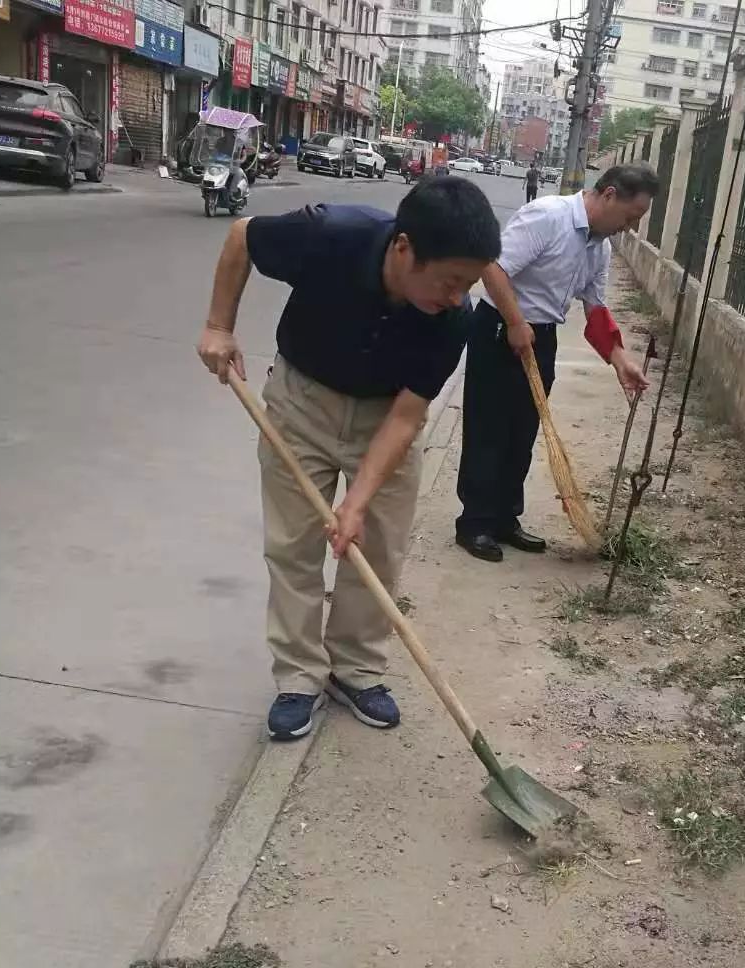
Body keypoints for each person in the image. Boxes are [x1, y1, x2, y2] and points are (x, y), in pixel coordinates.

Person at [197, 178, 502, 740]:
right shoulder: (329, 235)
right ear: (405, 248)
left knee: (377, 550)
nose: (458, 297)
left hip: (384, 419)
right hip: (302, 404)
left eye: (469, 284)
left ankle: (355, 669)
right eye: (450, 281)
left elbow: (406, 418)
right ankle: (298, 676)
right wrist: (219, 326)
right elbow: (242, 235)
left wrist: (356, 503)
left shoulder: (456, 319)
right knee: (293, 546)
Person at [455, 163, 658, 563]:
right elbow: (492, 267)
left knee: (523, 432)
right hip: (499, 330)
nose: (630, 227)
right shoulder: (549, 216)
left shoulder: (599, 247)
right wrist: (515, 322)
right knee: (488, 429)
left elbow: (595, 307)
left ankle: (504, 519)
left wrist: (619, 359)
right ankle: (474, 523)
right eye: (631, 216)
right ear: (610, 195)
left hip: (541, 338)